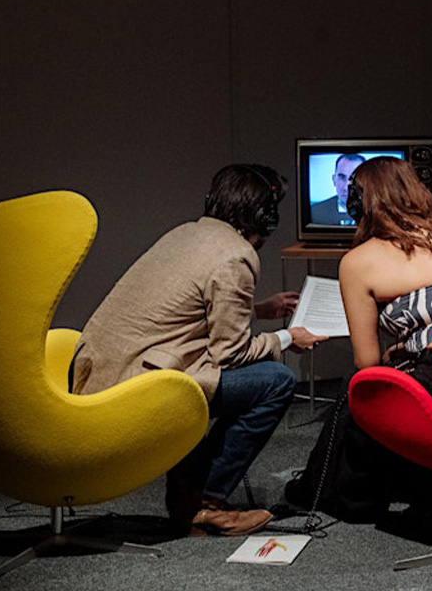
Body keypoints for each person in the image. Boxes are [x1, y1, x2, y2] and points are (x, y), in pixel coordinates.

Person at [72, 163, 327, 536]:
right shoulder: (235, 257)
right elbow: (231, 356)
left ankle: (187, 494)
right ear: (264, 217)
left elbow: (183, 311)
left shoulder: (186, 233)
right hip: (138, 387)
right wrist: (287, 338)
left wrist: (259, 310)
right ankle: (205, 504)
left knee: (219, 376)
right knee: (276, 380)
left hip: (101, 374)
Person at [286, 156, 432, 532]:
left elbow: (366, 363)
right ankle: (425, 495)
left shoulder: (358, 262)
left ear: (358, 203)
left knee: (355, 394)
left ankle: (339, 496)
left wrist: (395, 355)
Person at [310, 153, 365, 225]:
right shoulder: (315, 212)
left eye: (354, 179)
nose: (346, 188)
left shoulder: (378, 212)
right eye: (342, 178)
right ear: (334, 180)